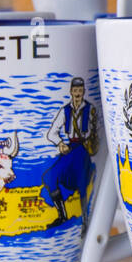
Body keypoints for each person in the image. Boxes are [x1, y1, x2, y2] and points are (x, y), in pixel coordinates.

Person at [41, 77, 98, 224]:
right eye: (75, 90)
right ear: (71, 91)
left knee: (82, 183)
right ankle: (62, 215)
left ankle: (85, 220)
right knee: (49, 177)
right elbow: (51, 132)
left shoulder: (90, 109)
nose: (78, 93)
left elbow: (95, 133)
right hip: (70, 149)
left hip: (82, 150)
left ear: (84, 91)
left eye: (80, 90)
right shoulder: (65, 110)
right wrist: (60, 143)